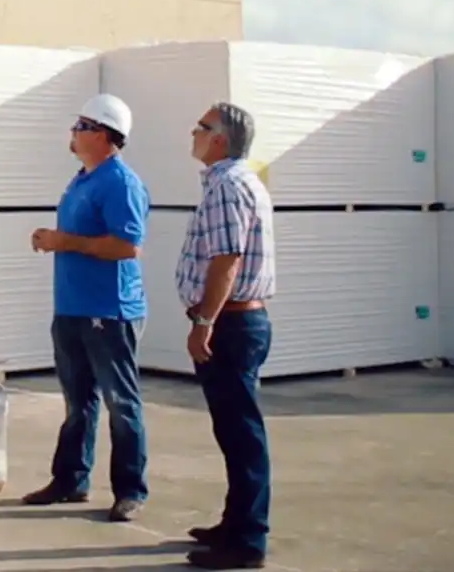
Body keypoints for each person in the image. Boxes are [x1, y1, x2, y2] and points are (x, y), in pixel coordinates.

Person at [22, 93, 151, 522]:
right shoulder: (82, 179)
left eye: (81, 126)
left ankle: (130, 489)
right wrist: (53, 240)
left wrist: (66, 242)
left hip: (108, 312)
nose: (73, 133)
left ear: (103, 135)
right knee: (78, 401)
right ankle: (70, 479)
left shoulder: (120, 182)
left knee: (120, 403)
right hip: (73, 308)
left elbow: (128, 246)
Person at [175, 101, 276, 571]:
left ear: (219, 140)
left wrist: (203, 322)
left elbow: (226, 260)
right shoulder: (235, 182)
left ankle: (247, 540)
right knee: (234, 432)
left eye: (200, 128)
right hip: (235, 321)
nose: (192, 134)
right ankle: (235, 524)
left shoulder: (227, 187)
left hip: (231, 323)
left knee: (241, 433)